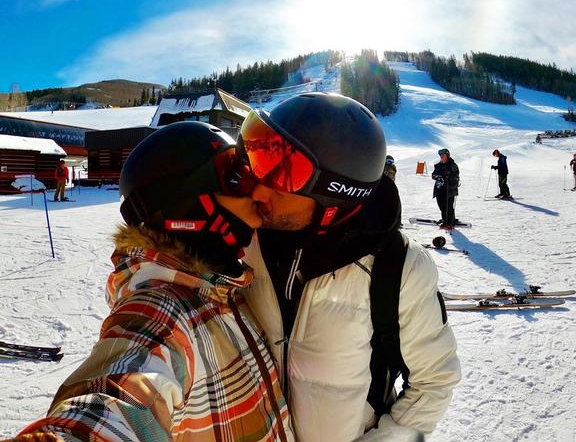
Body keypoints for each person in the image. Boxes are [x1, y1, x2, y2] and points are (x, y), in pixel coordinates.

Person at [7, 122, 294, 442]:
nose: (257, 193)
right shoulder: (162, 313)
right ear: (187, 205)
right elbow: (114, 403)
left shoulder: (225, 288)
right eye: (237, 177)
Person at [236, 93, 460, 442]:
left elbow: (434, 381)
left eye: (284, 174)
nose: (259, 190)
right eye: (259, 161)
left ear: (336, 194)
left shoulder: (398, 267)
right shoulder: (242, 242)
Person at [431, 149, 460, 229]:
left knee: (449, 207)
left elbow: (456, 175)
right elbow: (433, 175)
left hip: (449, 189)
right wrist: (437, 177)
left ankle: (450, 223)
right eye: (440, 155)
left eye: (443, 155)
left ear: (447, 156)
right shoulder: (438, 165)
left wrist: (448, 176)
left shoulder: (452, 164)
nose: (441, 157)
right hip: (439, 189)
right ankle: (445, 221)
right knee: (442, 206)